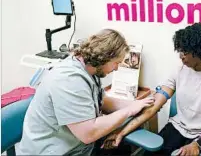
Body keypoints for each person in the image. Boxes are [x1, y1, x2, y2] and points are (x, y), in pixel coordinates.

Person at [102, 23, 201, 156]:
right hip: (179, 128)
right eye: (180, 51)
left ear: (200, 51)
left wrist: (196, 144)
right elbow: (153, 107)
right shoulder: (179, 71)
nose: (181, 56)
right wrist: (121, 132)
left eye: (185, 52)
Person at [17, 29, 154, 155]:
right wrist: (128, 111)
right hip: (55, 151)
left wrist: (133, 105)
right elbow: (88, 134)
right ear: (105, 57)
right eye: (116, 62)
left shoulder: (89, 69)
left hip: (79, 145)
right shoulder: (69, 80)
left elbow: (100, 100)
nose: (117, 68)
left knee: (121, 148)